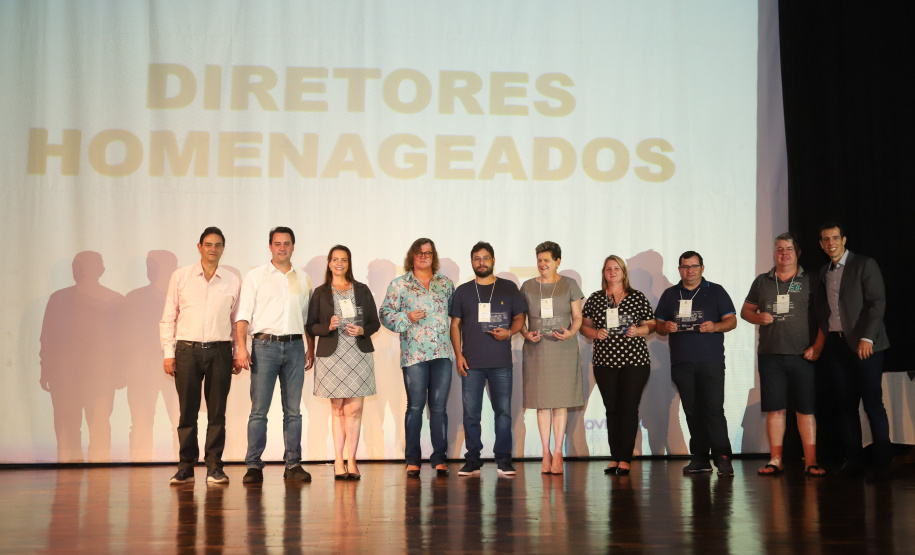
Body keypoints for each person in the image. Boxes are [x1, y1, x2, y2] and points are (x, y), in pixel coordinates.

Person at [159, 227, 240, 484]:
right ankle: (186, 467)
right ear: (199, 247)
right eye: (208, 244)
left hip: (220, 351)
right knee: (187, 413)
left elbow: (237, 320)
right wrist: (168, 353)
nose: (212, 249)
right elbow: (169, 317)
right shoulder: (181, 276)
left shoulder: (232, 280)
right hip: (186, 351)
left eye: (217, 245)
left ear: (223, 249)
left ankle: (215, 467)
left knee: (217, 413)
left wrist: (237, 352)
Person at [741, 233, 825, 476]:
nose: (784, 253)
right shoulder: (762, 281)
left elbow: (824, 318)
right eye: (779, 249)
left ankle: (811, 461)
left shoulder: (811, 279)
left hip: (803, 355)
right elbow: (746, 311)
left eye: (788, 249)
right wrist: (757, 317)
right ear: (774, 252)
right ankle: (775, 459)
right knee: (775, 409)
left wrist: (817, 347)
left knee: (805, 409)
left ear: (797, 253)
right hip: (770, 355)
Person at [236, 227, 315, 483]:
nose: (282, 248)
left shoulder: (303, 278)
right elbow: (243, 315)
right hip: (264, 347)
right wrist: (240, 347)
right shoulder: (255, 276)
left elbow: (305, 319)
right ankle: (254, 465)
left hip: (294, 347)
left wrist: (309, 347)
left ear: (294, 246)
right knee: (259, 410)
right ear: (270, 246)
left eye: (287, 243)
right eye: (277, 243)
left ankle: (293, 464)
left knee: (293, 411)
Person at [814, 223, 891, 477]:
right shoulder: (825, 270)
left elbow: (877, 303)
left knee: (872, 404)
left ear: (844, 239)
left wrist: (867, 338)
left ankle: (882, 463)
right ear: (821, 244)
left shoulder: (864, 264)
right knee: (846, 405)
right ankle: (854, 460)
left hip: (866, 346)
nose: (831, 243)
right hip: (837, 346)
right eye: (826, 239)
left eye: (835, 237)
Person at [655, 251, 737, 477]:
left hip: (710, 361)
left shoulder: (716, 291)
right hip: (681, 362)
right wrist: (666, 327)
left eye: (693, 266)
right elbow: (658, 324)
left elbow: (732, 320)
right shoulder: (670, 294)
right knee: (692, 411)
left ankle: (723, 458)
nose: (689, 270)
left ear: (702, 268)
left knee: (713, 410)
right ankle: (700, 458)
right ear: (679, 269)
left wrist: (715, 327)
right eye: (684, 267)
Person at [450, 241, 527, 477]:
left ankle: (503, 459)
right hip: (471, 363)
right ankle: (473, 459)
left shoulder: (508, 287)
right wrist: (459, 354)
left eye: (485, 258)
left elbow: (519, 318)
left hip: (500, 362)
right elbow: (455, 325)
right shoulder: (463, 291)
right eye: (476, 258)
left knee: (503, 412)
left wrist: (510, 332)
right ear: (471, 262)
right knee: (471, 414)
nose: (481, 262)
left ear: (493, 260)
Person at [379, 238, 455, 477]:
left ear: (434, 256)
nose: (424, 257)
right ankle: (412, 459)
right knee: (414, 407)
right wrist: (406, 318)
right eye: (419, 253)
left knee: (439, 409)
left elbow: (457, 318)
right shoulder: (400, 285)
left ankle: (440, 458)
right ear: (411, 256)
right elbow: (385, 315)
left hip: (442, 353)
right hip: (414, 355)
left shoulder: (446, 284)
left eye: (429, 253)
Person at [306, 245, 380, 480]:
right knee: (338, 410)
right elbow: (310, 326)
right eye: (335, 259)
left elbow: (374, 324)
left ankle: (352, 460)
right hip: (332, 355)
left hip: (358, 355)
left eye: (344, 260)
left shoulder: (362, 290)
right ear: (329, 263)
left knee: (355, 410)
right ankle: (338, 460)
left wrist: (362, 329)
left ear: (349, 263)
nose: (339, 263)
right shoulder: (320, 292)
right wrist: (327, 326)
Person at [580, 255, 656, 476]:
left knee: (628, 409)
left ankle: (625, 458)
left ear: (623, 272)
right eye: (608, 269)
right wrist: (595, 333)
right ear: (604, 273)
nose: (612, 272)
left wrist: (638, 331)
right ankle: (615, 457)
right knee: (611, 409)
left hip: (634, 362)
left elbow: (652, 323)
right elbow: (584, 326)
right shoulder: (595, 299)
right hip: (604, 363)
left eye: (616, 268)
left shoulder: (636, 297)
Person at [519, 241, 584, 475]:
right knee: (542, 403)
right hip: (538, 349)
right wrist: (526, 333)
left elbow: (577, 317)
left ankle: (558, 452)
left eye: (547, 260)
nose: (542, 264)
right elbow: (519, 320)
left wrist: (570, 332)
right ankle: (545, 452)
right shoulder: (527, 286)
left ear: (558, 261)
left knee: (560, 402)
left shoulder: (570, 284)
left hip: (562, 347)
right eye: (539, 259)